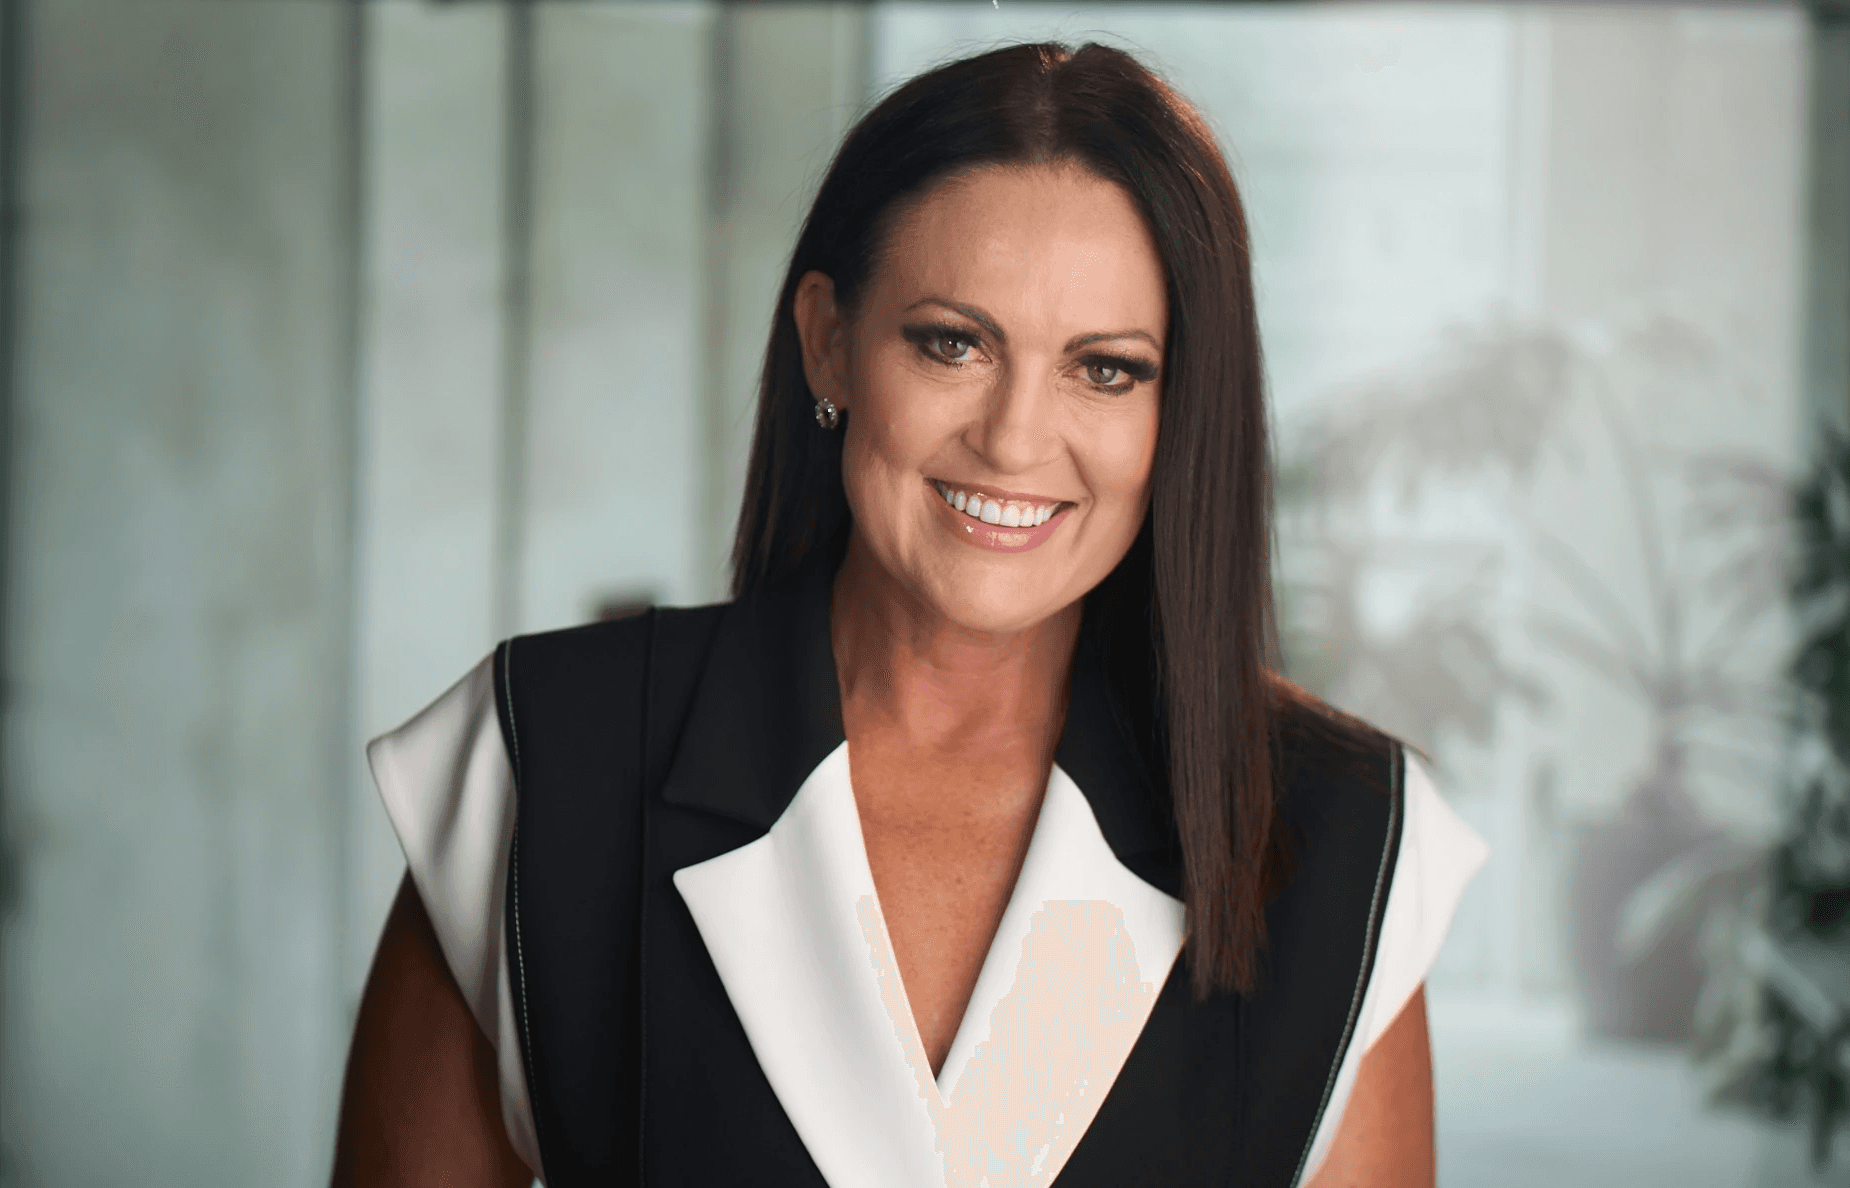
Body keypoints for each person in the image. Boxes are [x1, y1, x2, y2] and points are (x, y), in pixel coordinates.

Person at [331, 41, 1486, 1188]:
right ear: (828, 343)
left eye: (1105, 369)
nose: (1014, 440)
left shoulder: (1345, 839)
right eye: (953, 344)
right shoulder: (544, 761)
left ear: (1179, 409)